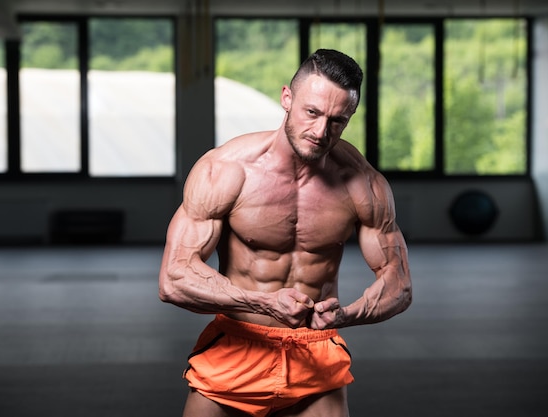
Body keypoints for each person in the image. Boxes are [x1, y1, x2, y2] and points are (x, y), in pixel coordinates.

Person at [159, 49, 412, 417]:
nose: (321, 132)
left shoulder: (362, 183)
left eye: (337, 121)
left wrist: (347, 315)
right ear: (287, 98)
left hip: (315, 351)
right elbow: (174, 278)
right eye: (312, 112)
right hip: (236, 346)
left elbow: (399, 284)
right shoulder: (227, 170)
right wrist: (261, 302)